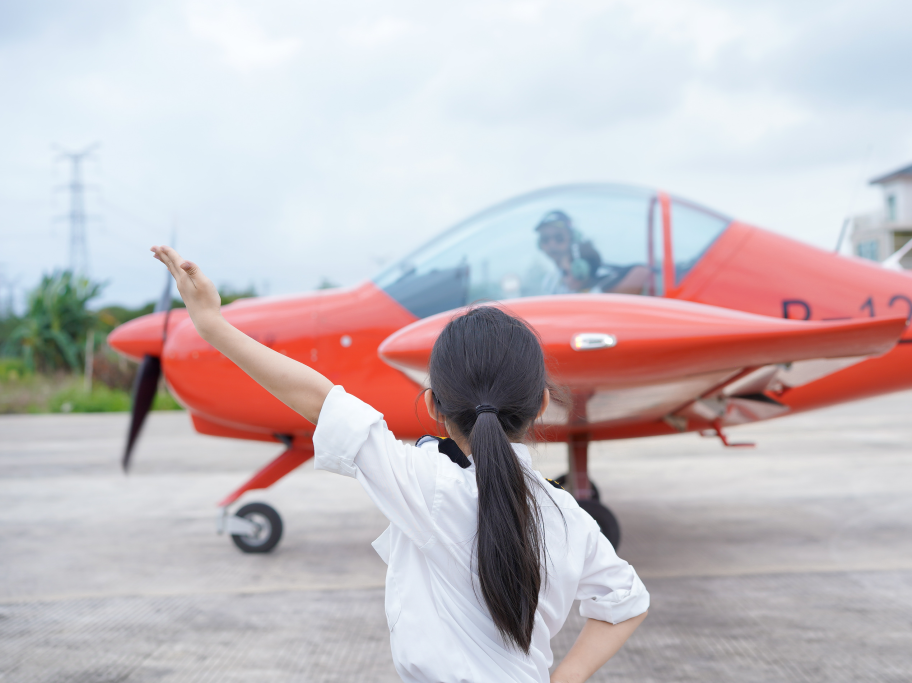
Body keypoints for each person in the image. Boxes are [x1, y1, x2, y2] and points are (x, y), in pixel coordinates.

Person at [150, 245, 649, 683]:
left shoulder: (427, 487)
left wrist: (211, 324)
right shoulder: (567, 515)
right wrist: (566, 678)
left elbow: (320, 400)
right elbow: (626, 601)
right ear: (541, 405)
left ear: (432, 406)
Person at [534, 211, 652, 296]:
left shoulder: (601, 276)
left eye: (559, 237)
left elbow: (642, 272)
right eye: (545, 239)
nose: (552, 244)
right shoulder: (550, 281)